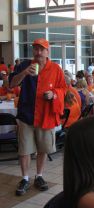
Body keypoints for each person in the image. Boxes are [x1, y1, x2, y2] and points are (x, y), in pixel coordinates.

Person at [9, 38, 66, 196]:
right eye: (35, 49)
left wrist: (53, 94)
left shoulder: (55, 69)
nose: (38, 52)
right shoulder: (24, 65)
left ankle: (39, 176)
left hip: (45, 115)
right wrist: (24, 73)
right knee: (24, 150)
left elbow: (63, 88)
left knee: (43, 148)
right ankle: (25, 178)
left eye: (42, 49)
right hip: (26, 115)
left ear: (48, 52)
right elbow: (11, 84)